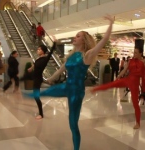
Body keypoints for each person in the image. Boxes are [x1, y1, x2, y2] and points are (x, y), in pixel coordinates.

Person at [24, 15, 114, 150]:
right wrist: (50, 79)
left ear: (84, 40)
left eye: (78, 36)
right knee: (45, 92)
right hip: (67, 86)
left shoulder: (87, 54)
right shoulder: (71, 56)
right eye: (76, 35)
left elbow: (104, 40)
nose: (75, 37)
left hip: (76, 92)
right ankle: (29, 96)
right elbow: (60, 70)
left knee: (72, 123)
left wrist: (111, 23)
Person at [91, 39, 145, 130]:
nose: (134, 54)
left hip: (135, 84)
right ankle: (95, 89)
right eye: (134, 52)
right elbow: (125, 70)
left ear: (140, 53)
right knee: (113, 84)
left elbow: (143, 77)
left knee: (135, 104)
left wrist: (143, 91)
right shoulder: (131, 61)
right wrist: (119, 76)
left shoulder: (143, 63)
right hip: (128, 80)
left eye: (136, 53)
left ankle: (138, 123)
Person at [27, 43, 55, 120]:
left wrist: (54, 43)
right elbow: (35, 64)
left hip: (38, 79)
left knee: (36, 96)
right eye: (38, 49)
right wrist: (31, 68)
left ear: (43, 51)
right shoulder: (38, 59)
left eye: (39, 49)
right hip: (36, 77)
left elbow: (51, 52)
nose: (37, 50)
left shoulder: (45, 59)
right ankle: (48, 82)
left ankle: (41, 114)